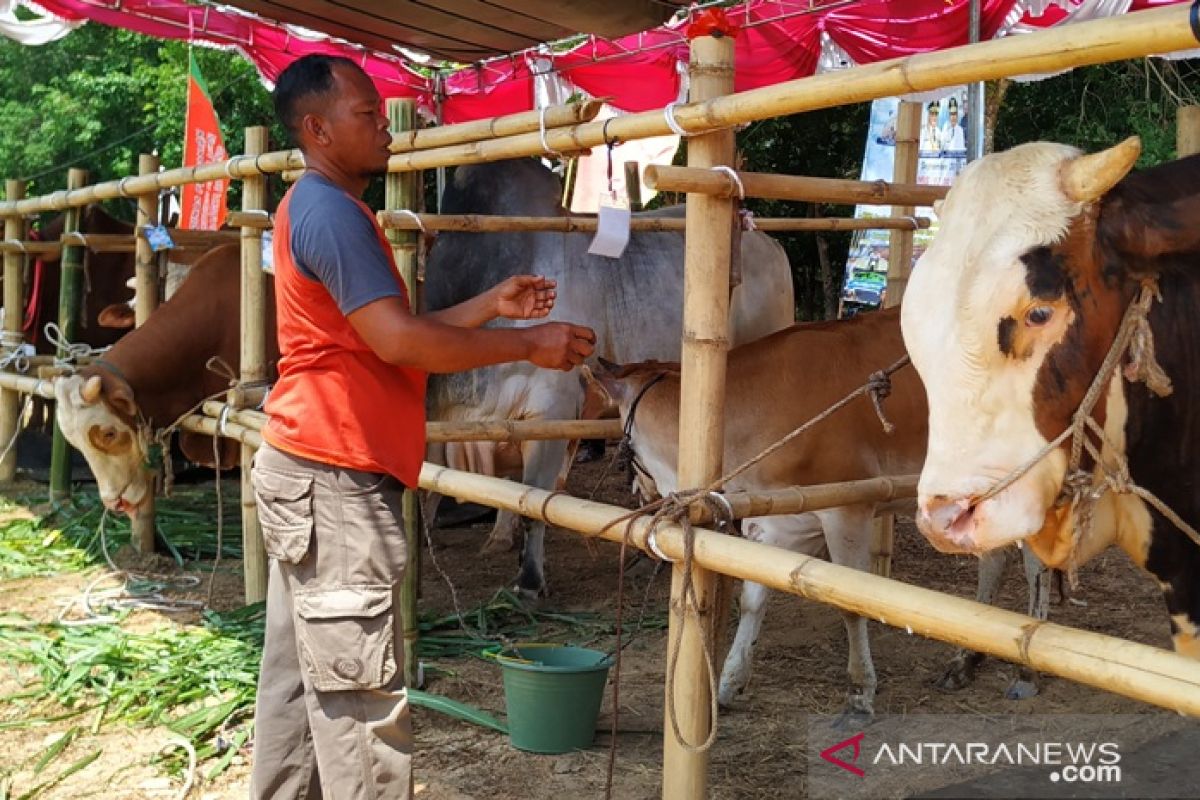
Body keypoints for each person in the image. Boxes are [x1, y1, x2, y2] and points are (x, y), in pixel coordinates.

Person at [250, 54, 596, 800]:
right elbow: (404, 345)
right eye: (366, 116)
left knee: (296, 688)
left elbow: (391, 333)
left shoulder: (322, 208)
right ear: (317, 128)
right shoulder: (333, 215)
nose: (386, 130)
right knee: (361, 710)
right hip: (335, 482)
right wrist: (529, 343)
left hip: (306, 471)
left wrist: (490, 305)